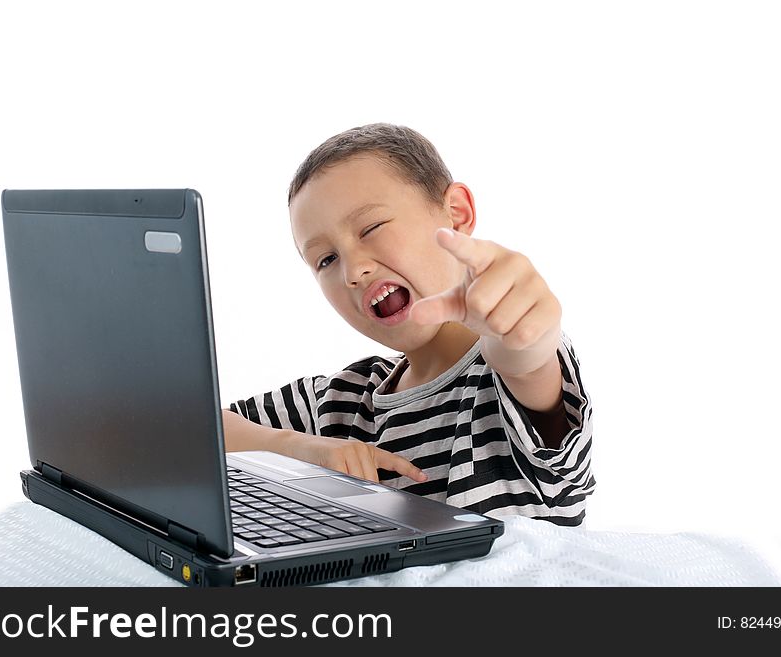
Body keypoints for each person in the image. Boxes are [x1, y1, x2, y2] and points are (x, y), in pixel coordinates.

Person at [222, 123, 594, 525]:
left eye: (371, 228)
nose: (353, 270)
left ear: (456, 214)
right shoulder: (340, 401)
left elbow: (526, 358)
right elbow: (180, 428)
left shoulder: (501, 376)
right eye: (326, 259)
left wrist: (522, 330)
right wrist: (295, 448)